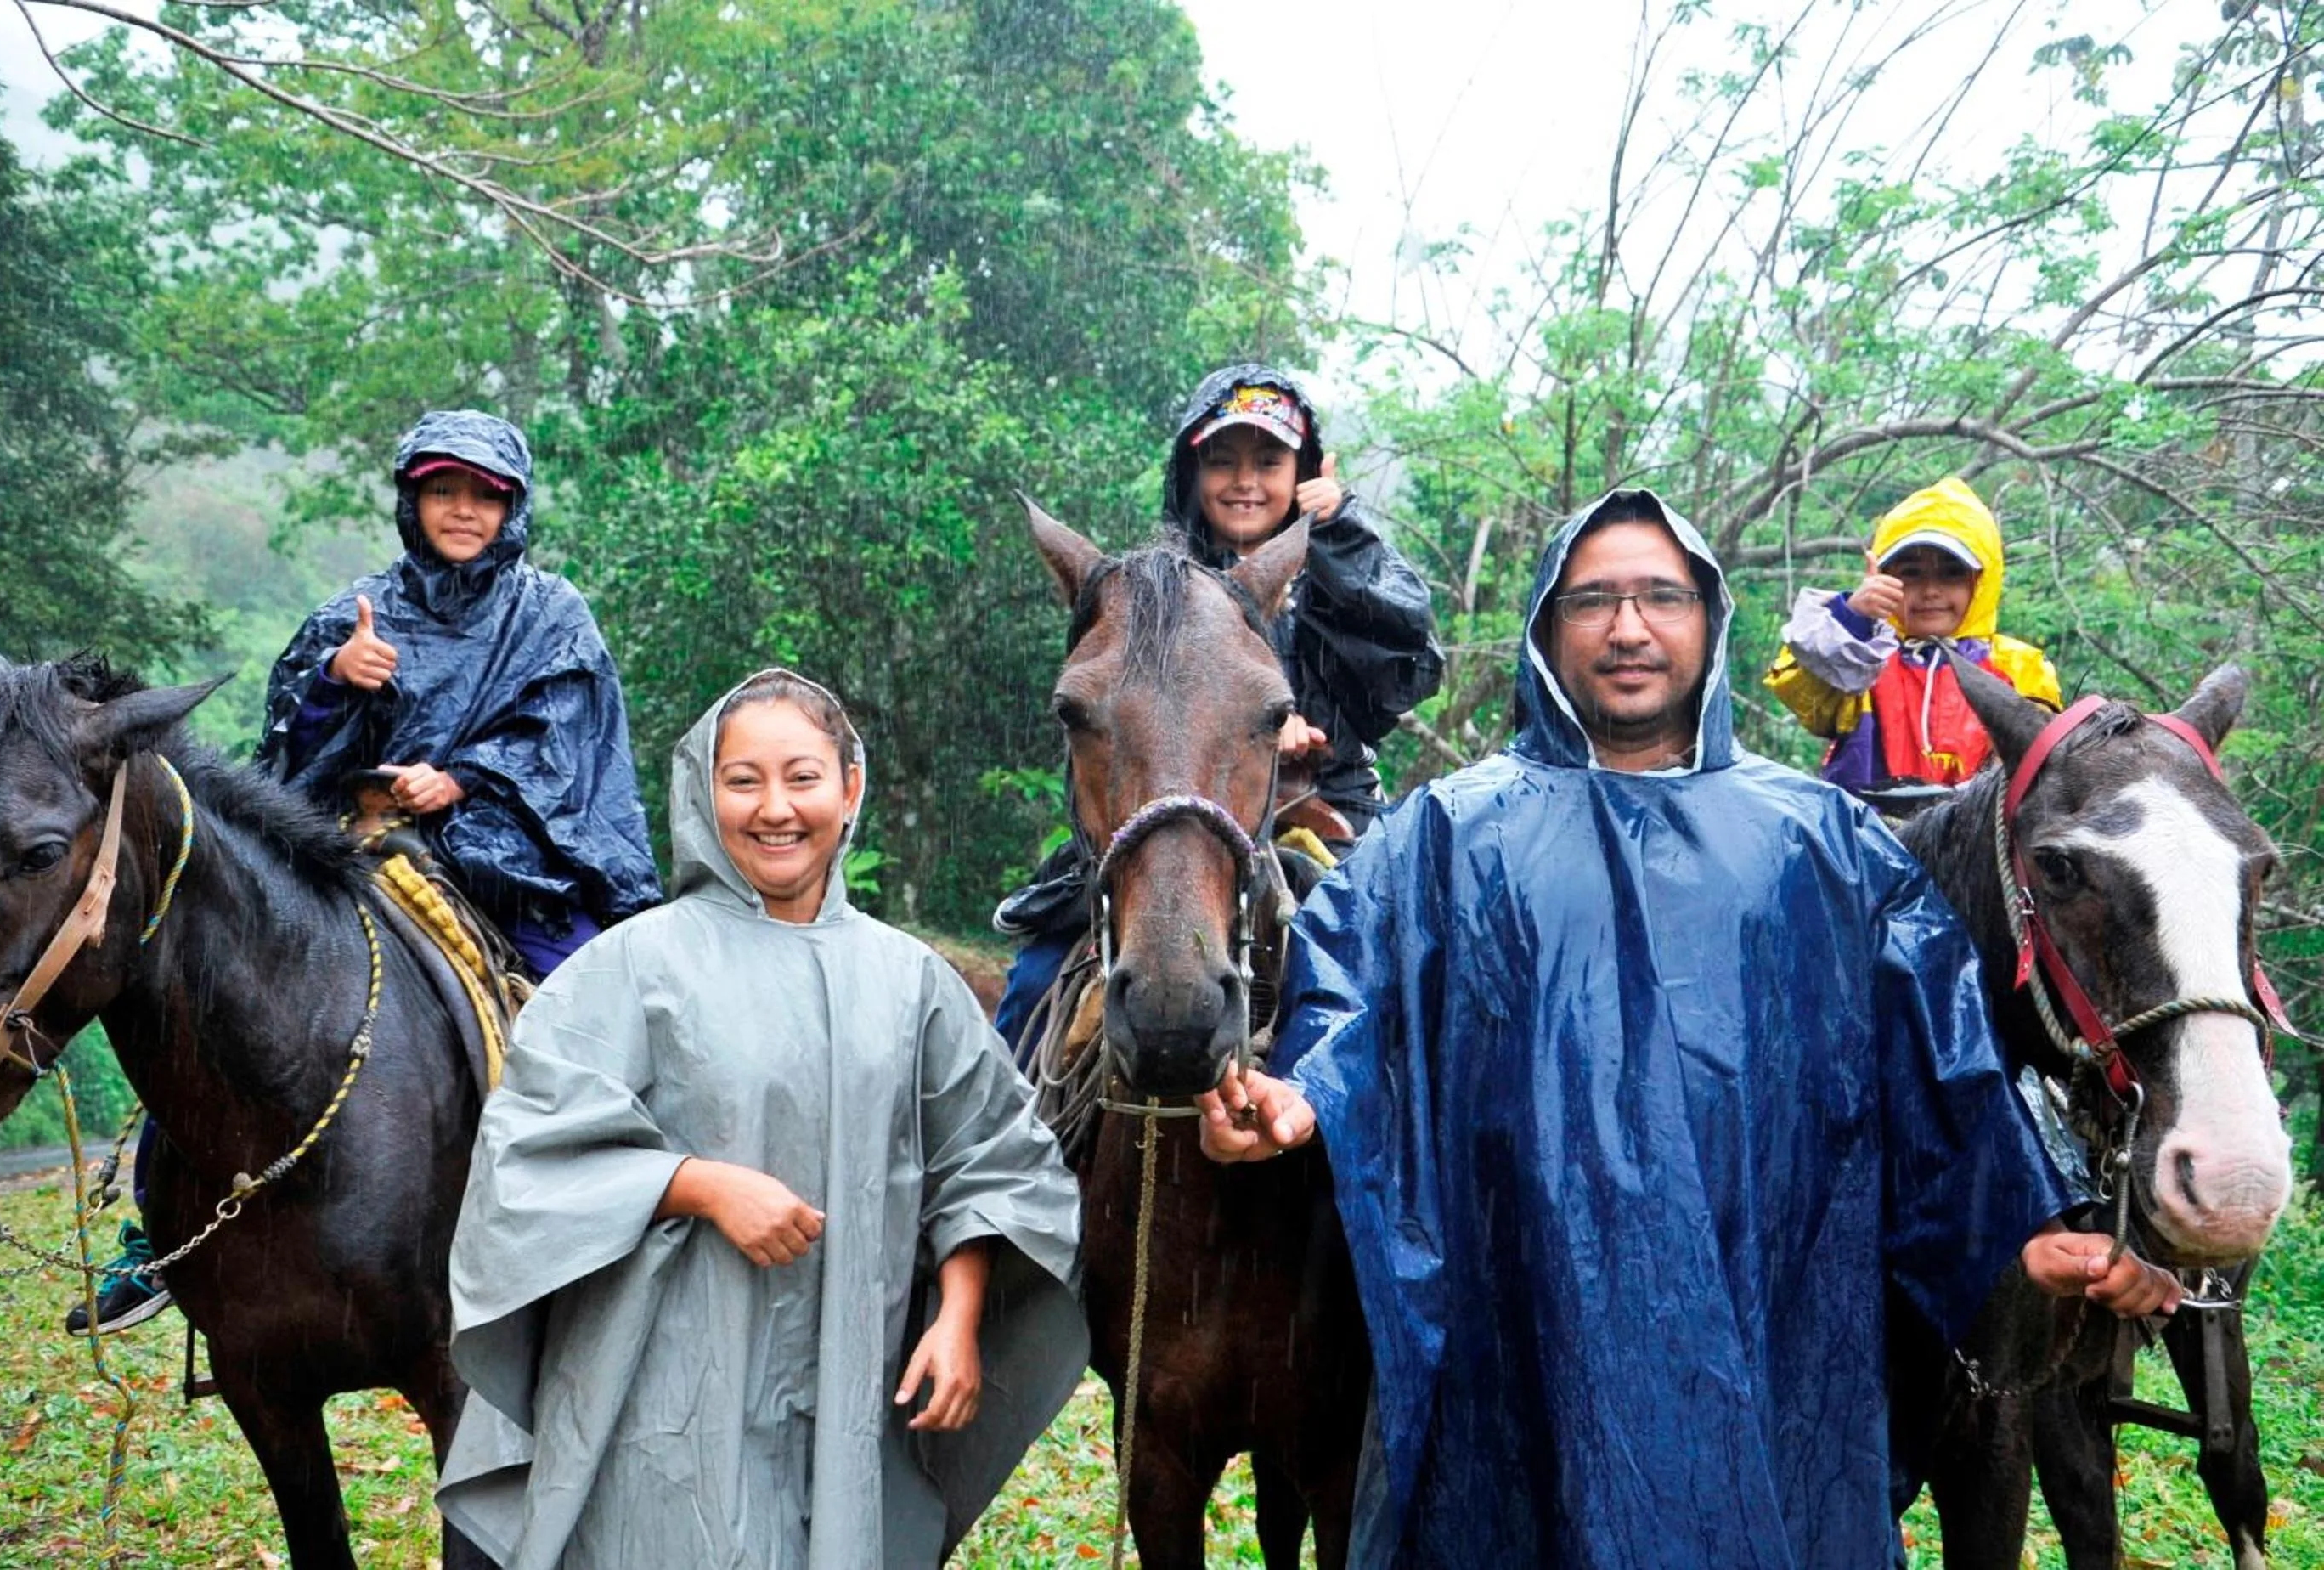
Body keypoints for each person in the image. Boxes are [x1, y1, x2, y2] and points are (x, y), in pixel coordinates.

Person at [1193, 489, 2181, 1566]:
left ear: (1708, 621)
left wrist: (2020, 1229)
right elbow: (1349, 983)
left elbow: (1937, 1066)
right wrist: (1299, 1092)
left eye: (1660, 597)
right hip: (1521, 1330)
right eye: (1594, 600)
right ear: (1546, 625)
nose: (1627, 628)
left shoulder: (1827, 847)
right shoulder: (1447, 833)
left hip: (1769, 1329)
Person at [435, 670, 1086, 1569]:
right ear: (704, 791)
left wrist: (960, 1313)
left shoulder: (912, 984)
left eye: (802, 777)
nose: (774, 809)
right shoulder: (629, 967)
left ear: (849, 786)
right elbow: (526, 1156)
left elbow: (988, 1158)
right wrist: (696, 1184)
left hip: (851, 1385)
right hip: (661, 1393)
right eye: (743, 780)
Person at [66, 409, 662, 1337]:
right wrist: (337, 683)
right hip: (351, 848)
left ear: (513, 507)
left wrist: (464, 778)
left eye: (483, 494)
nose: (462, 510)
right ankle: (158, 1240)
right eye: (443, 490)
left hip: (503, 861)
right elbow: (280, 763)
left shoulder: (552, 616)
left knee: (595, 993)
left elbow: (571, 743)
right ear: (411, 499)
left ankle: (626, 1205)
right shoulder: (348, 615)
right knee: (213, 992)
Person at [992, 364, 1445, 1052]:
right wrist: (1240, 731)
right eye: (1222, 462)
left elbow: (1406, 662)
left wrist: (1342, 532)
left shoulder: (1341, 570)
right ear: (1189, 473)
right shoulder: (1152, 591)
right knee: (1036, 976)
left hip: (1327, 806)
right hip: (1170, 800)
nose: (1245, 482)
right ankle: (1008, 1114)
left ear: (1306, 471)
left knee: (1406, 986)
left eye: (1269, 462)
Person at [1765, 476, 2061, 793]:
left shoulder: (2020, 667)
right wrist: (1852, 617)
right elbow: (1807, 702)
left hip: (1975, 837)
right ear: (1883, 576)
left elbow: (2037, 766)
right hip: (1863, 833)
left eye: (1952, 573)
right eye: (1911, 574)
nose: (1931, 590)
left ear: (1982, 581)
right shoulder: (1862, 656)